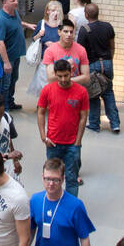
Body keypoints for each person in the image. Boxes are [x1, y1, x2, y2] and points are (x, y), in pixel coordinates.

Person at [37, 58, 88, 196]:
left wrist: (78, 141)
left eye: (66, 75)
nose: (63, 79)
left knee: (72, 178)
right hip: (53, 143)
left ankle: (70, 208)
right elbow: (41, 112)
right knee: (52, 179)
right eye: (59, 76)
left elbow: (83, 117)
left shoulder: (81, 92)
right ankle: (53, 203)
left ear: (72, 72)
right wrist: (43, 136)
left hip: (72, 144)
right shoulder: (48, 90)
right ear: (55, 74)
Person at [77, 3, 121, 133]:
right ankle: (115, 123)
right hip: (107, 63)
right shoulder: (108, 27)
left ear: (86, 15)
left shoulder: (84, 30)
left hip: (92, 65)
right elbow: (112, 46)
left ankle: (95, 124)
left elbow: (81, 52)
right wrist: (109, 59)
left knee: (93, 94)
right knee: (108, 92)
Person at [0, 0, 34, 112]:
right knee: (5, 84)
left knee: (13, 79)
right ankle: (3, 109)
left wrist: (27, 25)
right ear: (4, 3)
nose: (17, 2)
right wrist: (6, 62)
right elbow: (0, 42)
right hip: (7, 57)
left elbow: (17, 23)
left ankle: (10, 102)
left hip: (15, 55)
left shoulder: (14, 12)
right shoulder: (1, 19)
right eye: (13, 1)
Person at [42, 18, 90, 86]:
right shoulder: (50, 51)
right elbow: (50, 78)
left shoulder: (81, 50)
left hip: (75, 90)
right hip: (57, 91)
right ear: (59, 32)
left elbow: (86, 77)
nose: (69, 34)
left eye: (71, 32)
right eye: (65, 31)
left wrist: (67, 81)